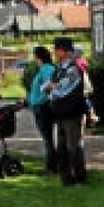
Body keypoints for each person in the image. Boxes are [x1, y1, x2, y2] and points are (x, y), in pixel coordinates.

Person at [44, 37, 88, 186]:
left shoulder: (73, 69)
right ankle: (66, 179)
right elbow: (46, 88)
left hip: (72, 114)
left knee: (73, 147)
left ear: (65, 51)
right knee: (61, 148)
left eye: (57, 50)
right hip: (60, 114)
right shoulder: (58, 70)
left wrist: (52, 87)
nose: (55, 53)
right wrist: (51, 87)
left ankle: (80, 178)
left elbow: (62, 89)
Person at [28, 46, 58, 175]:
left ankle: (51, 167)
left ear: (38, 57)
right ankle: (52, 165)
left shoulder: (46, 69)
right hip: (39, 105)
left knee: (47, 138)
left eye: (34, 56)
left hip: (42, 107)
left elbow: (49, 86)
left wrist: (44, 99)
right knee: (47, 138)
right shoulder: (43, 69)